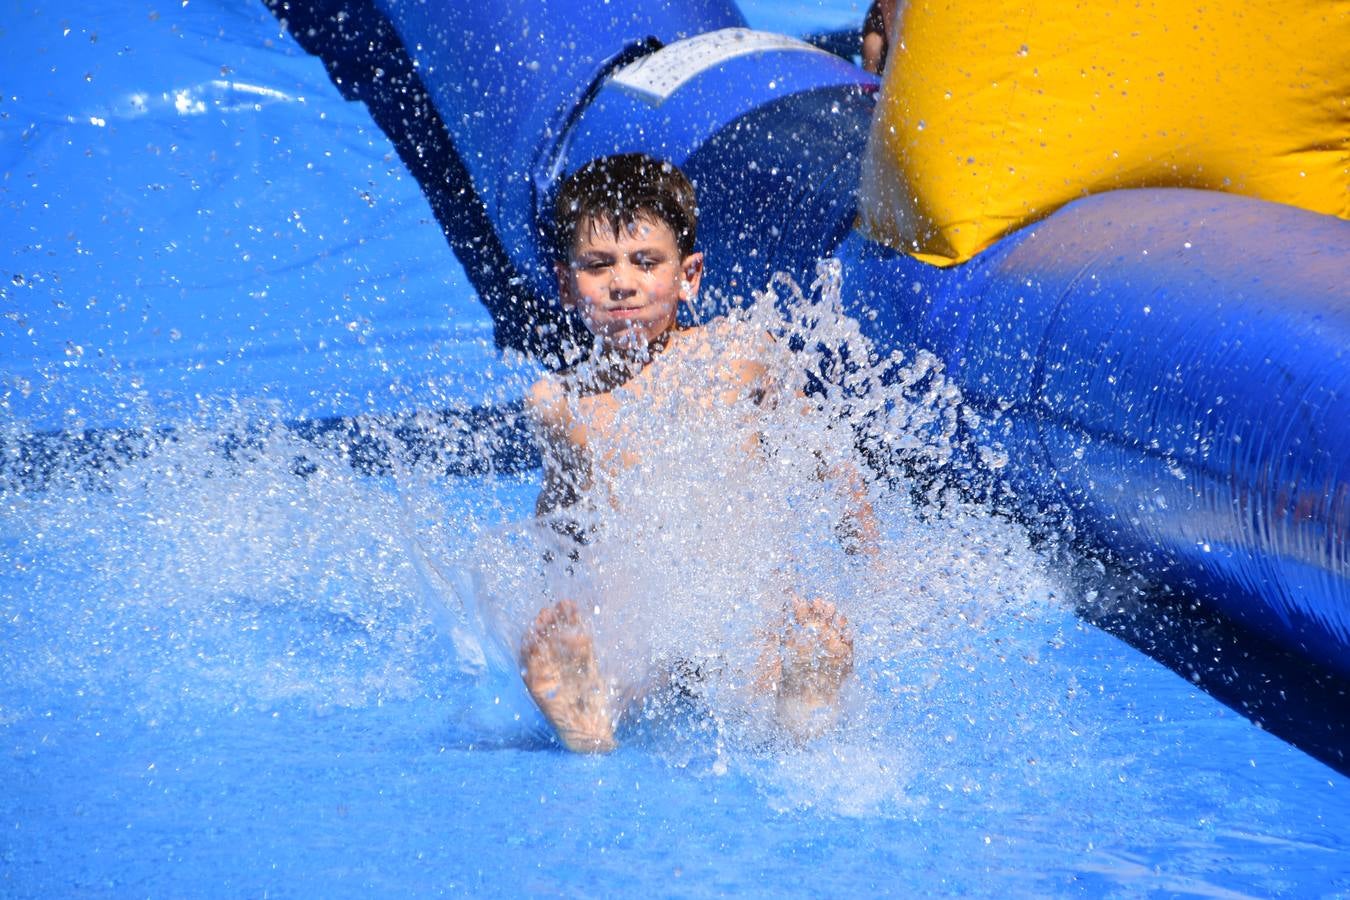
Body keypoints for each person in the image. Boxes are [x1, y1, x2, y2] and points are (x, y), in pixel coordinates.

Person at [520, 153, 877, 753]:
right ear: (565, 284)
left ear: (689, 275)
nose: (622, 282)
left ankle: (802, 696)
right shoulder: (561, 402)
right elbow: (559, 516)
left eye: (646, 262)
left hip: (735, 601)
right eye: (598, 265)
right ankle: (589, 714)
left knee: (762, 646)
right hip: (643, 615)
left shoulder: (739, 354)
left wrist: (870, 562)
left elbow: (824, 455)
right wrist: (557, 604)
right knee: (622, 651)